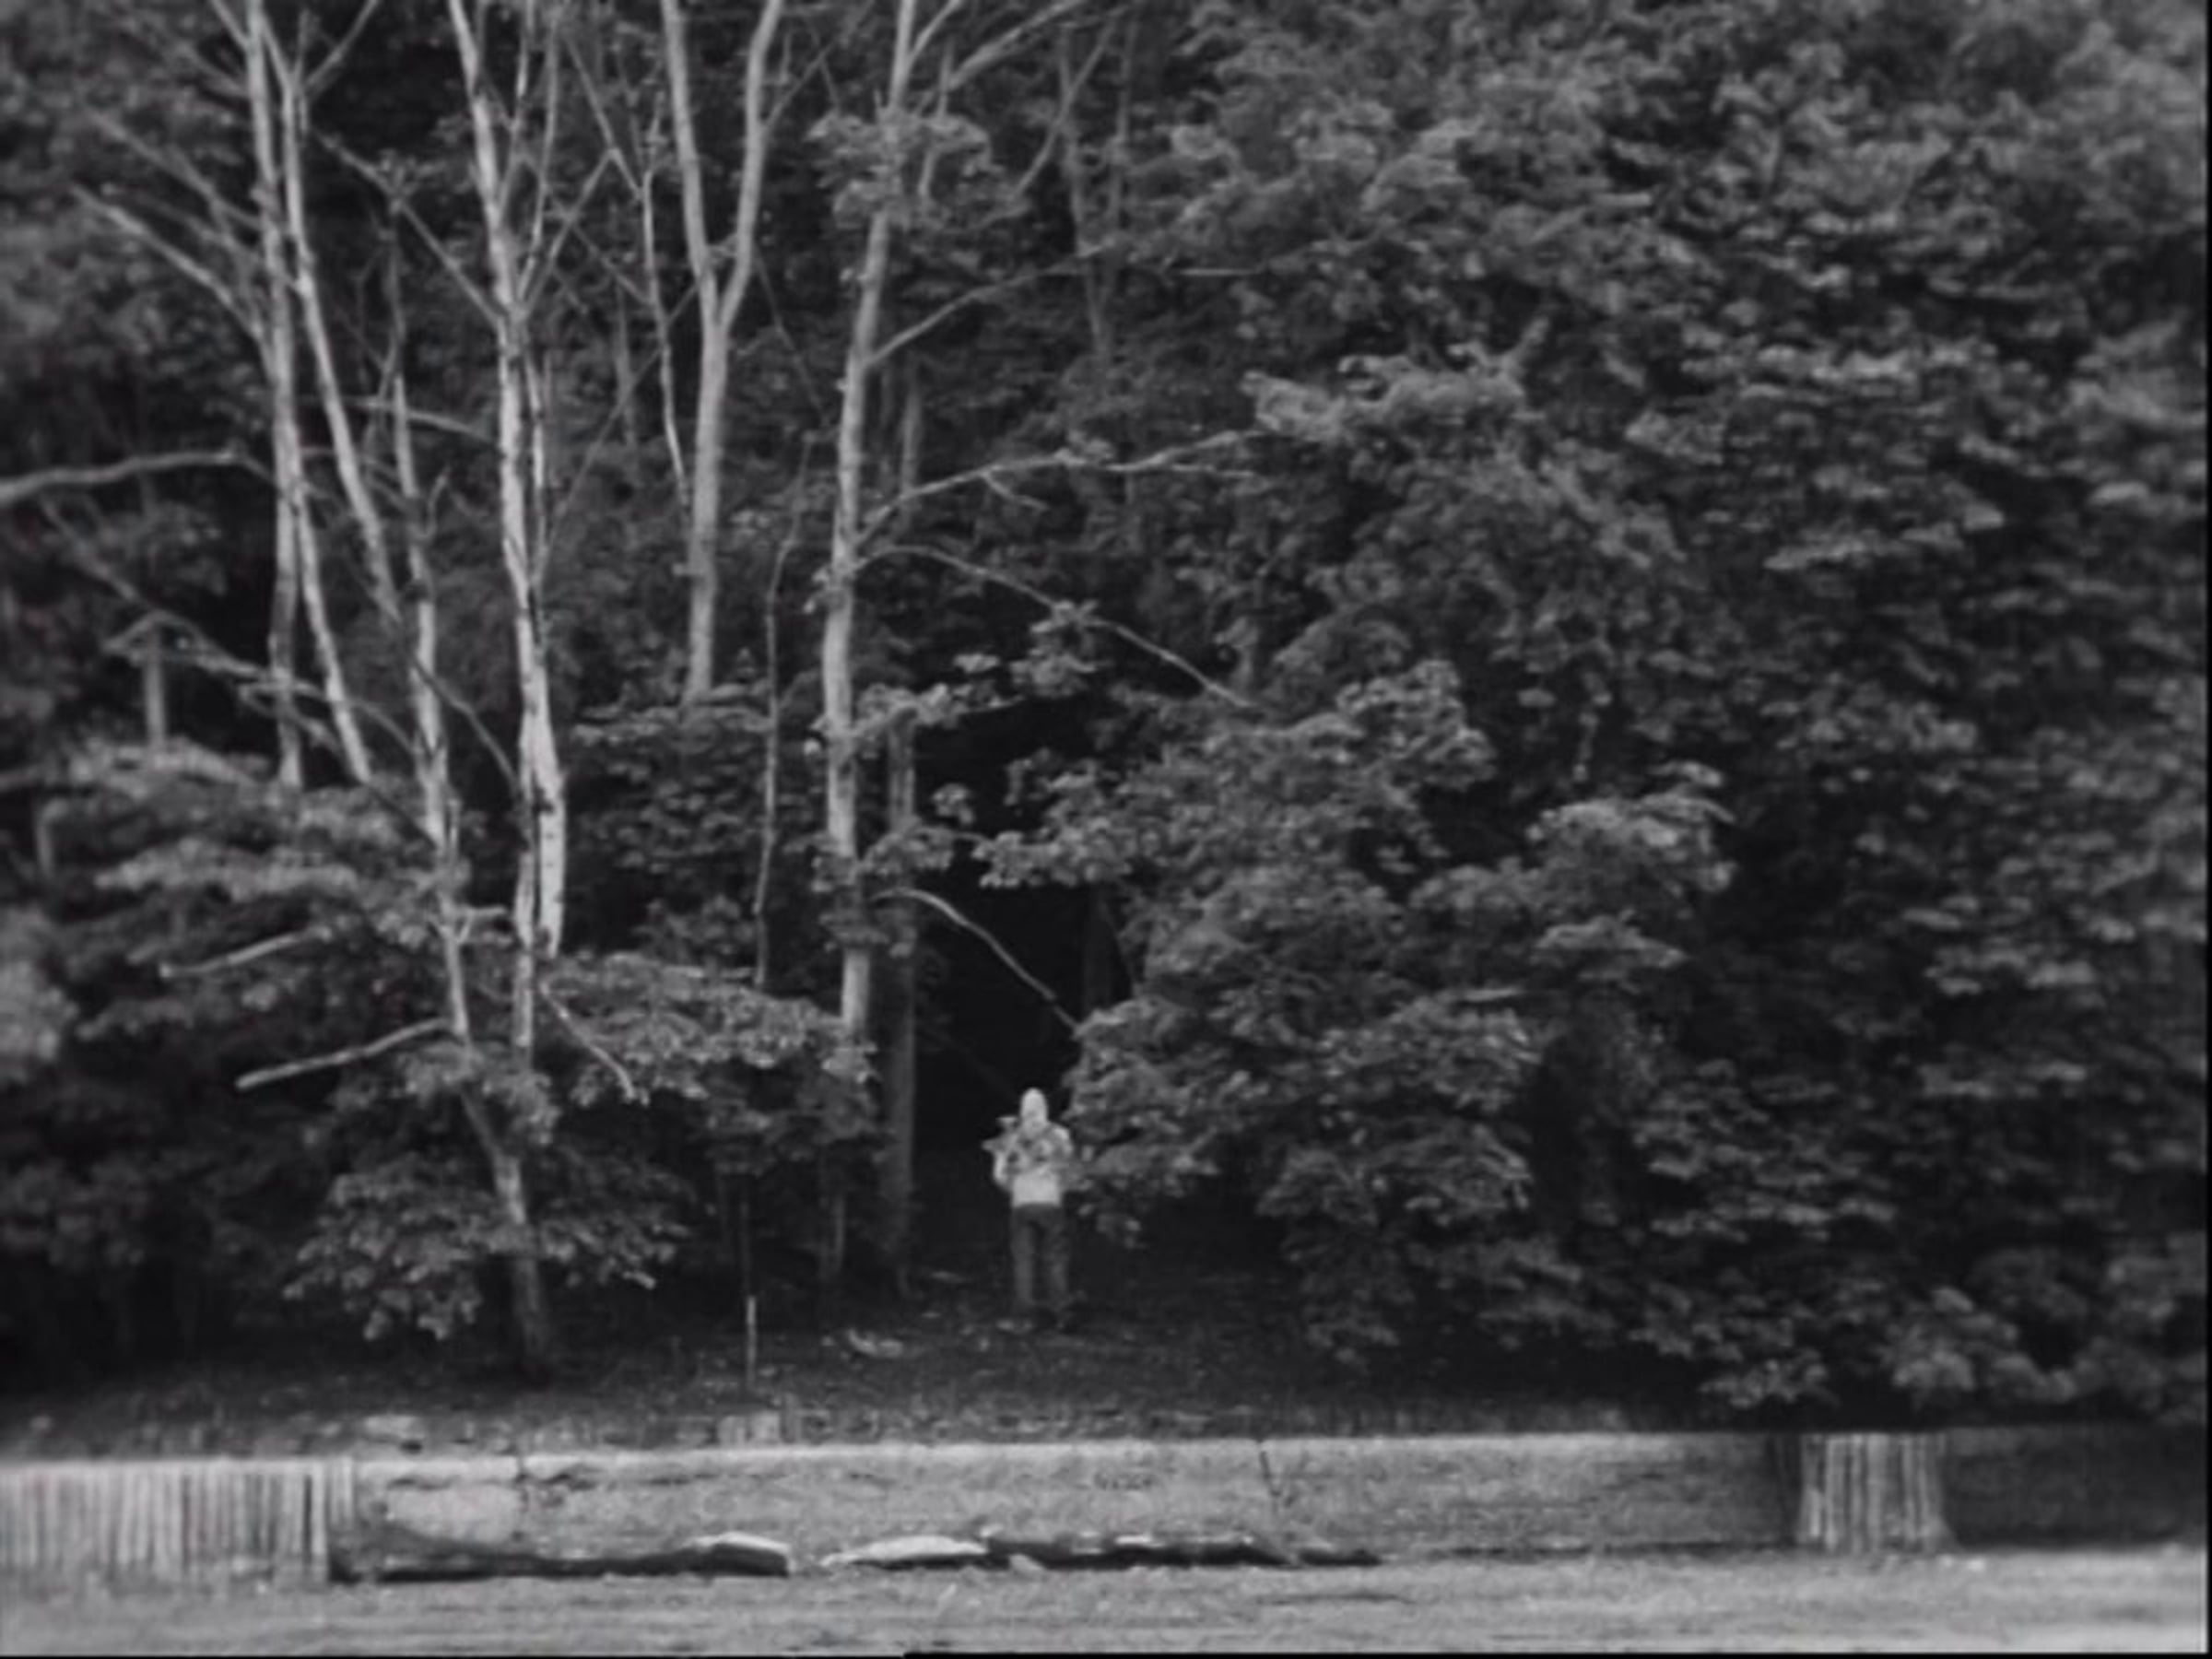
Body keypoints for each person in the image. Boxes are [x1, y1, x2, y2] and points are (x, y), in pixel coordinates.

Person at [985, 1088, 1077, 1331]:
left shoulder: (1010, 1137)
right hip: (1051, 1201)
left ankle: (1025, 1317)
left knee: (1023, 1259)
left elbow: (998, 1175)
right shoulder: (1060, 1135)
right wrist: (1058, 1189)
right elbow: (1069, 1170)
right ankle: (1060, 1313)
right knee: (1055, 1257)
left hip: (1022, 1202)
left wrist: (1013, 1189)